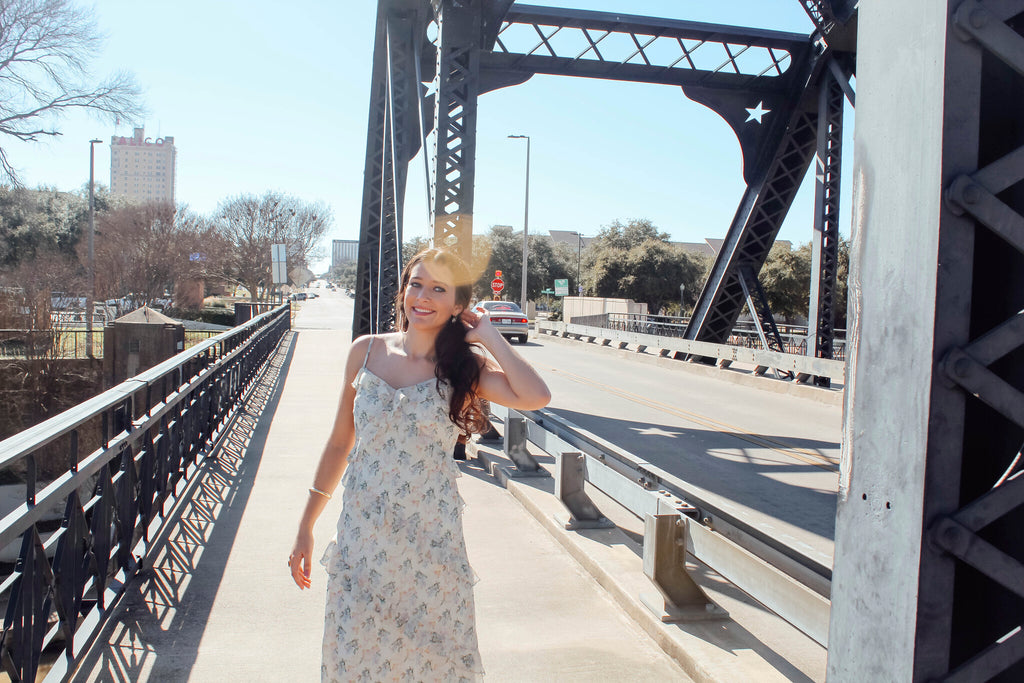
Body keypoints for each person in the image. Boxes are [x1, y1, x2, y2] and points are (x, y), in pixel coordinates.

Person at [288, 247, 551, 682]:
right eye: (416, 284)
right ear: (404, 291)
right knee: (355, 659)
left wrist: (489, 335)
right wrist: (306, 525)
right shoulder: (366, 352)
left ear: (457, 305)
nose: (423, 296)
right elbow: (339, 444)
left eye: (438, 289)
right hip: (362, 542)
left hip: (431, 550)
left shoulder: (464, 370)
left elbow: (535, 395)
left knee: (431, 666)